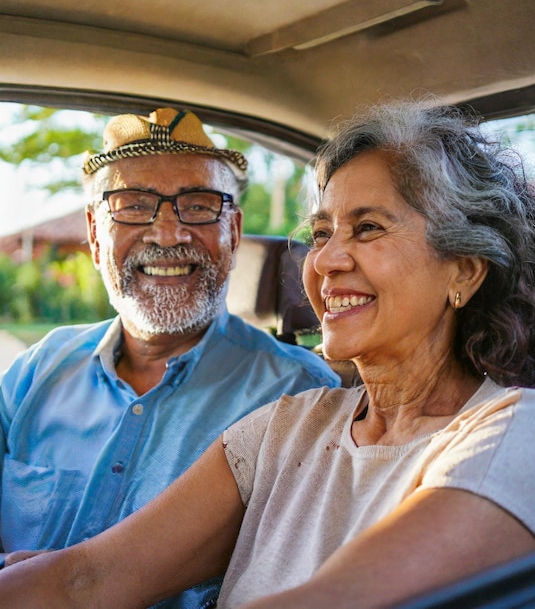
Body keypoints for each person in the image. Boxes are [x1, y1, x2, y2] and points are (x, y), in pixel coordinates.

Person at [0, 99, 535, 609]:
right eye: (321, 234)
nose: (326, 261)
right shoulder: (291, 426)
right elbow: (87, 578)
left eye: (367, 228)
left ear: (464, 271)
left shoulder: (523, 430)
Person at [0, 108, 340, 607]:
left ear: (234, 231)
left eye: (199, 206)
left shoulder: (299, 396)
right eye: (133, 206)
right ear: (95, 235)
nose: (168, 234)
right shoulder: (37, 370)